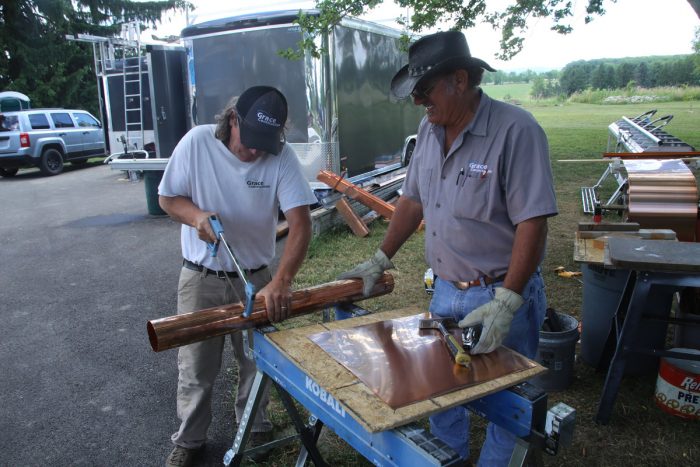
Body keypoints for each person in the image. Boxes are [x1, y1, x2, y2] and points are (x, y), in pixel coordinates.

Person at [339, 31, 558, 465]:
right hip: (444, 291)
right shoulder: (429, 129)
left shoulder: (516, 131)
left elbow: (532, 222)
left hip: (497, 291)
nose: (419, 102)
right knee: (441, 391)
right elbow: (412, 200)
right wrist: (382, 256)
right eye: (415, 93)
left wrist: (508, 301)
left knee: (509, 402)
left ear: (460, 80)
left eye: (424, 90)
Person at [158, 85, 317, 467]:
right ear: (232, 121)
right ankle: (190, 439)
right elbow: (167, 198)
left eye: (266, 142)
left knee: (255, 360)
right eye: (250, 142)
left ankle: (254, 423)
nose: (256, 151)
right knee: (197, 366)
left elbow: (301, 223)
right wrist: (197, 217)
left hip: (257, 278)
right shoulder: (197, 144)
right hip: (202, 275)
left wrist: (281, 280)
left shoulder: (280, 157)